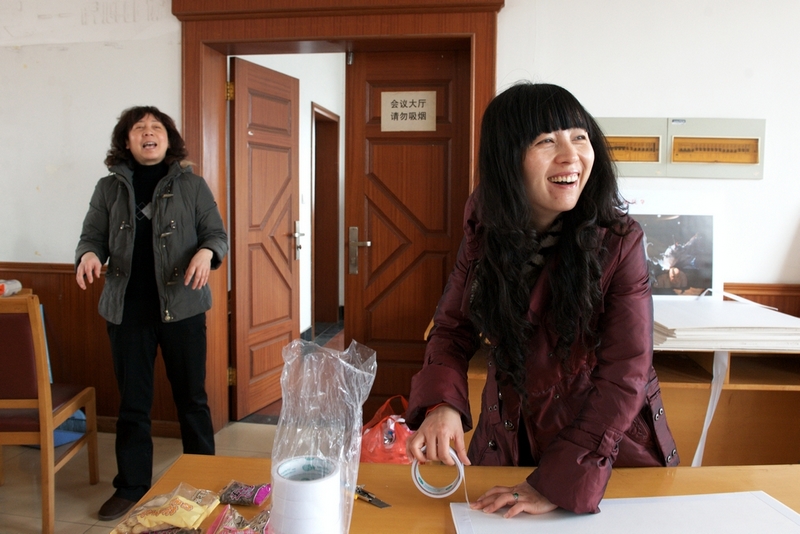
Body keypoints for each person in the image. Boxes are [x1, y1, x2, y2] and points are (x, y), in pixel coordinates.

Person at [405, 83, 679, 516]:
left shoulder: (619, 241)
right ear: (507, 157)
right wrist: (442, 404)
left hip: (602, 452)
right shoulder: (485, 227)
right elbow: (453, 327)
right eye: (546, 141)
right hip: (509, 436)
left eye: (580, 137)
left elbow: (626, 371)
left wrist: (559, 484)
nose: (571, 156)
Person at [75, 106, 228, 521]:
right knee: (133, 404)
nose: (148, 133)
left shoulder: (192, 184)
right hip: (128, 311)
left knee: (192, 399)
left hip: (184, 308)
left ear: (167, 138)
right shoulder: (108, 187)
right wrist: (88, 255)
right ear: (126, 141)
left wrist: (206, 252)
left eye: (155, 127)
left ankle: (203, 481)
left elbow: (216, 234)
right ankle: (131, 487)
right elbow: (91, 236)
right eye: (139, 128)